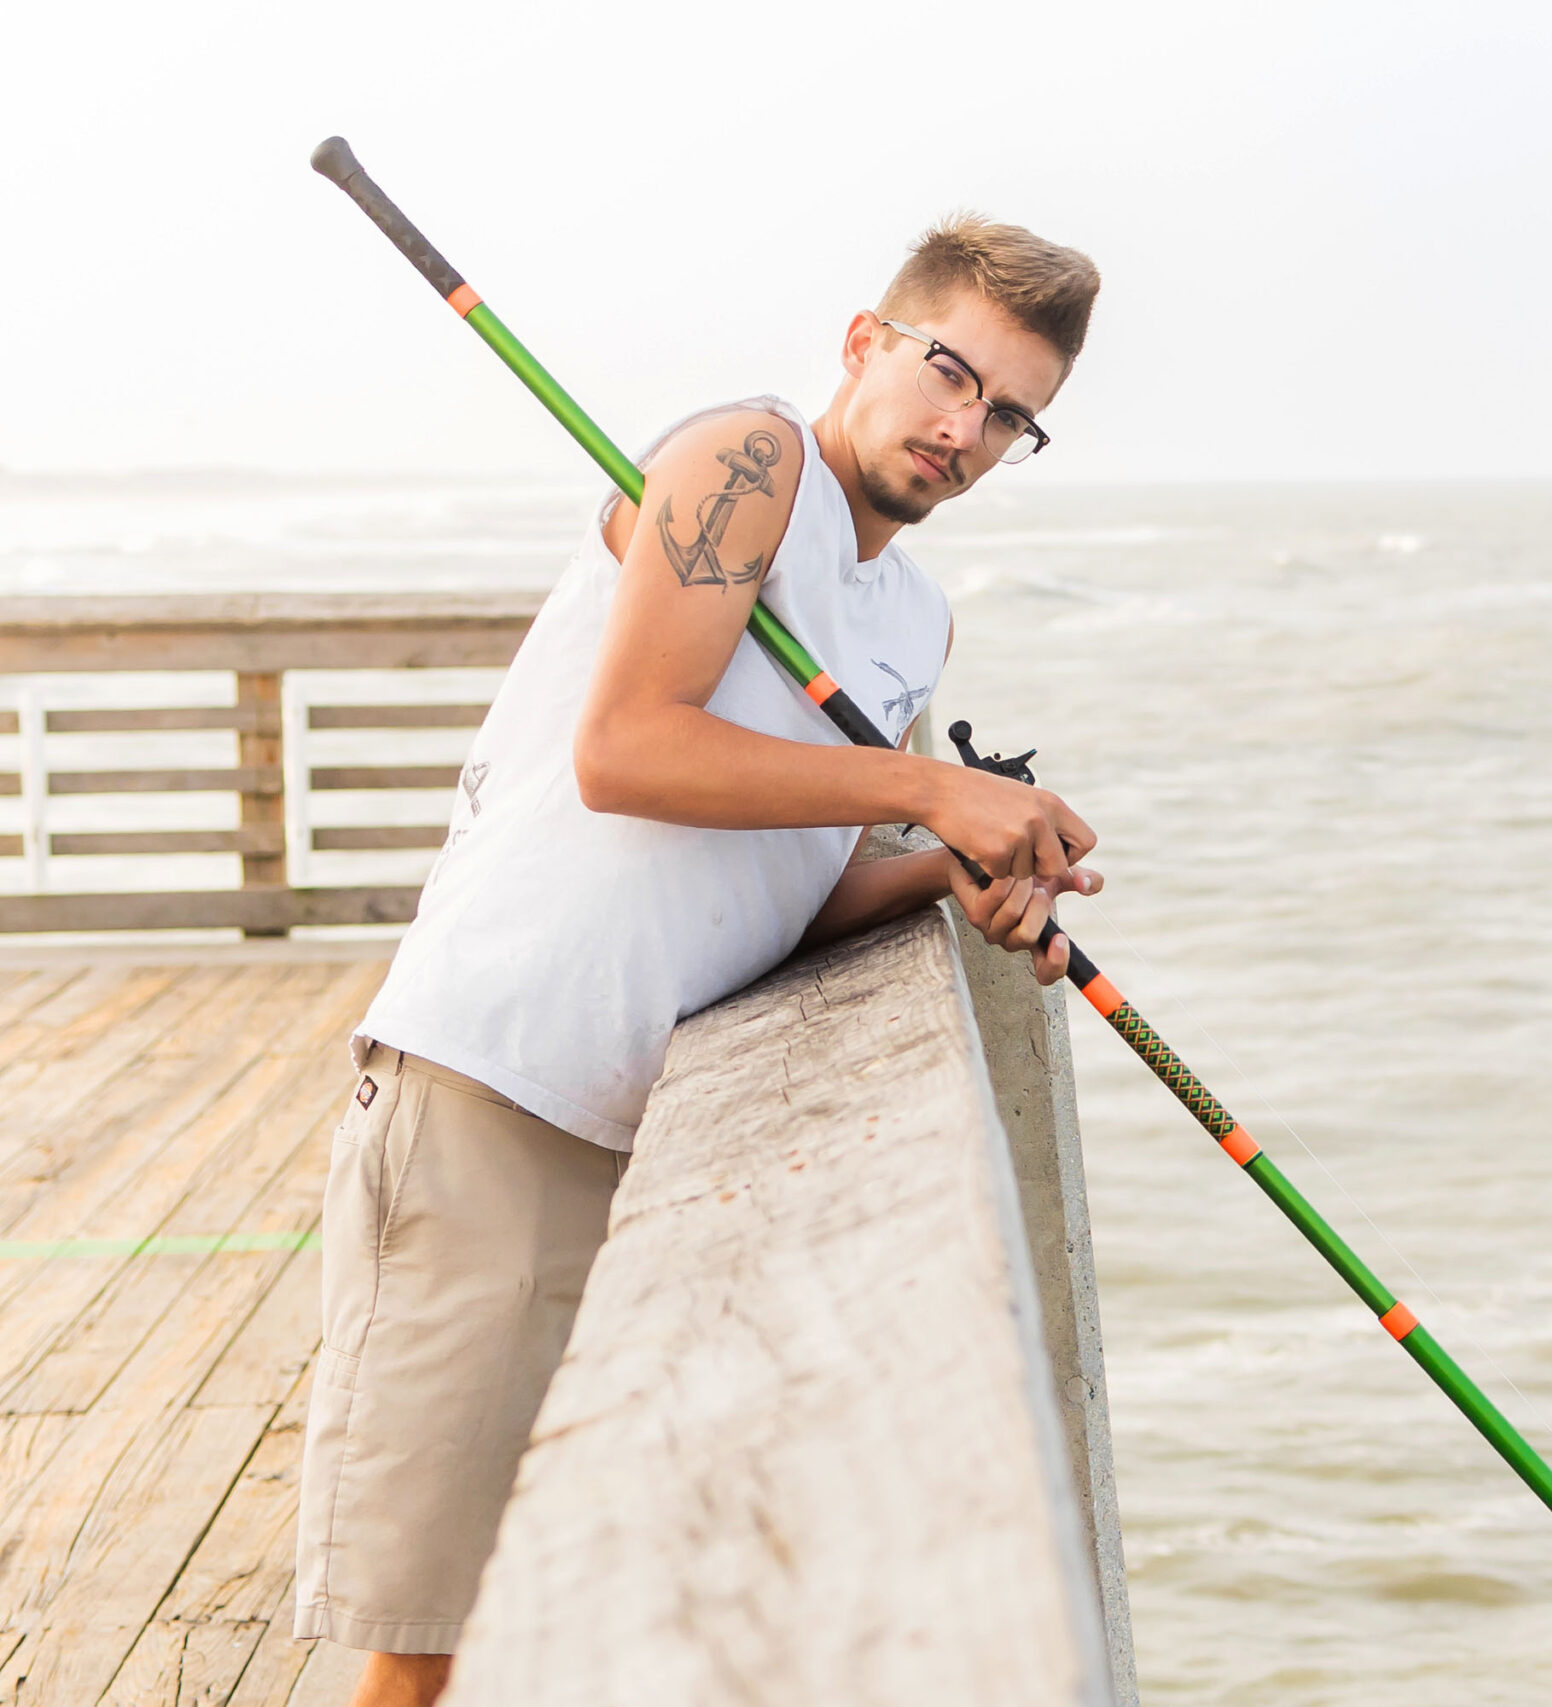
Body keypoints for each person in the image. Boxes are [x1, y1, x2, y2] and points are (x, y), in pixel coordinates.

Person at [293, 215, 1104, 1707]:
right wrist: (928, 789)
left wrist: (955, 871)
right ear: (866, 340)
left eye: (1009, 415)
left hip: (647, 1125)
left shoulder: (911, 620)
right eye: (949, 373)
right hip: (500, 1083)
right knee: (425, 1652)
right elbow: (629, 750)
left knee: (555, 1628)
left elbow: (779, 898)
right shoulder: (749, 461)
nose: (963, 428)